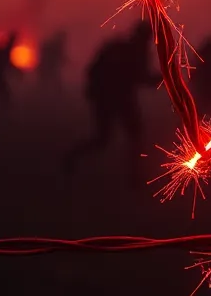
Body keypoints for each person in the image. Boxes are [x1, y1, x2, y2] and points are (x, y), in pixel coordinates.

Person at [61, 20, 161, 182]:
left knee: (121, 136)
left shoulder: (118, 47)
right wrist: (164, 78)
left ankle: (132, 175)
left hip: (110, 97)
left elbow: (94, 69)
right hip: (115, 98)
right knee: (116, 137)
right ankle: (72, 158)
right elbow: (141, 78)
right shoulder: (131, 52)